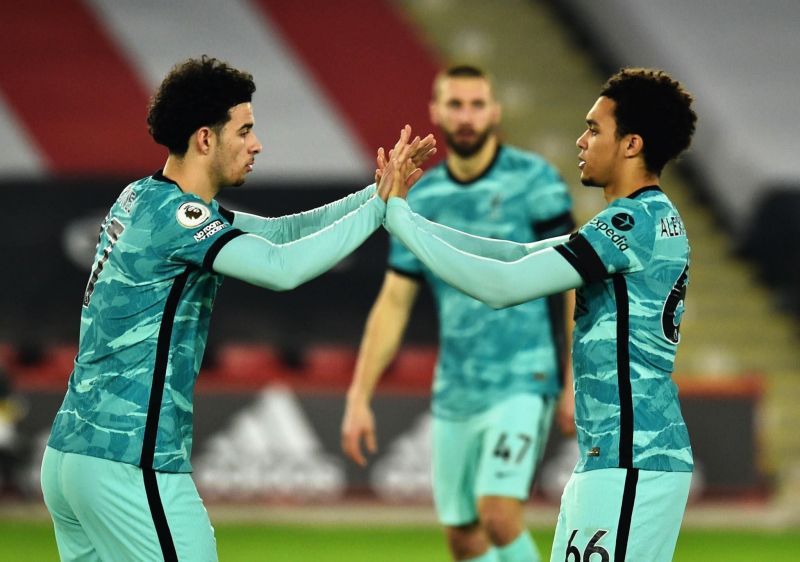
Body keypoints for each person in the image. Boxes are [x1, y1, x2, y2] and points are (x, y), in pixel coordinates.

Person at [39, 55, 435, 562]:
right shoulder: (181, 218)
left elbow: (278, 232)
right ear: (206, 138)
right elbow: (282, 267)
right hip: (129, 459)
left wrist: (377, 192)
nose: (257, 144)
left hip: (70, 456)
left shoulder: (142, 197)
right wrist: (385, 207)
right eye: (245, 129)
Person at [381, 68, 697, 562]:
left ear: (631, 144)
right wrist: (406, 217)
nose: (581, 140)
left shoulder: (631, 223)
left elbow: (503, 286)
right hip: (613, 457)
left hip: (634, 457)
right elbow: (515, 256)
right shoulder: (642, 218)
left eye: (594, 129)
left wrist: (399, 219)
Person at [341, 65, 576, 562]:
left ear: (494, 111)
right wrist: (360, 395)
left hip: (524, 375)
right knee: (463, 536)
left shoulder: (533, 181)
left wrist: (574, 377)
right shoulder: (422, 198)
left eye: (476, 104)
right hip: (456, 388)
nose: (466, 116)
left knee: (498, 513)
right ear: (436, 112)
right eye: (455, 104)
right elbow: (394, 301)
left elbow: (575, 279)